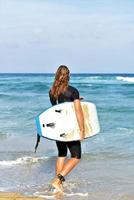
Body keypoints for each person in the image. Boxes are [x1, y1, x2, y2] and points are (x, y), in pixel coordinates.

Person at [49, 65, 85, 192]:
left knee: (62, 154)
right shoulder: (73, 91)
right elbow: (78, 112)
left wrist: (76, 100)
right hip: (69, 128)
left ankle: (58, 185)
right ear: (68, 76)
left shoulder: (52, 92)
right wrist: (82, 130)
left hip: (58, 129)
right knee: (76, 156)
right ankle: (57, 180)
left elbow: (59, 109)